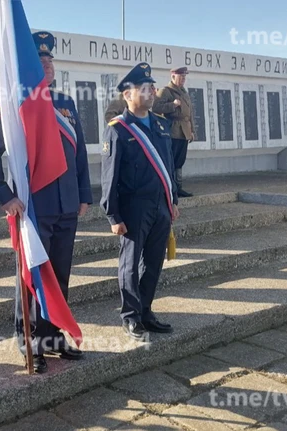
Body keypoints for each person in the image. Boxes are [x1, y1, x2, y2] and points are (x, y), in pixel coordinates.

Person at [0, 31, 92, 374]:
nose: (47, 65)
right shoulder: (12, 101)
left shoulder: (65, 103)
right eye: (39, 60)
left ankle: (53, 336)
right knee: (33, 277)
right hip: (32, 205)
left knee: (59, 274)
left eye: (50, 60)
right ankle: (30, 341)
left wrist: (83, 194)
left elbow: (79, 153)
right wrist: (3, 195)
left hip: (66, 204)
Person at [101, 62, 179, 340]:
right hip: (134, 207)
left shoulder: (160, 124)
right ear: (127, 95)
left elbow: (168, 166)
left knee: (154, 262)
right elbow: (109, 175)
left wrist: (173, 200)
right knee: (130, 264)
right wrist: (113, 215)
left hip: (161, 205)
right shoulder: (119, 129)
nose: (151, 92)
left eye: (152, 88)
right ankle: (131, 315)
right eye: (144, 88)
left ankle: (146, 311)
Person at [152, 66, 196, 197]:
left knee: (180, 161)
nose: (183, 79)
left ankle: (178, 187)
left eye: (184, 77)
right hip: (173, 130)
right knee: (171, 161)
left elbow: (189, 114)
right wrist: (173, 105)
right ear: (173, 76)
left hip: (184, 131)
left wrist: (192, 131)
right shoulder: (166, 91)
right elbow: (156, 108)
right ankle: (170, 188)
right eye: (181, 76)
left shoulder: (184, 92)